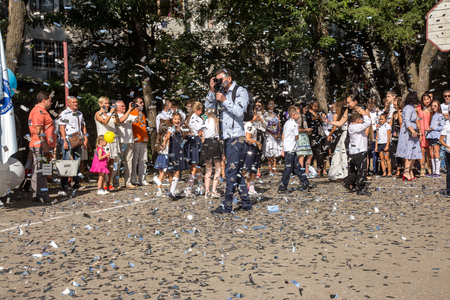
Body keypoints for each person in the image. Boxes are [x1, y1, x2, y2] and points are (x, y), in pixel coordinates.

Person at [205, 68, 252, 213]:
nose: (220, 82)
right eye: (217, 80)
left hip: (236, 136)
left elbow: (239, 111)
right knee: (236, 171)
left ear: (229, 78)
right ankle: (246, 203)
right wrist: (212, 92)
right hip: (225, 137)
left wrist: (224, 100)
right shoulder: (220, 93)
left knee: (230, 172)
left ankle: (226, 205)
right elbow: (208, 108)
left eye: (221, 79)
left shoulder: (240, 91)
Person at [28, 91, 56, 201]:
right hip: (41, 145)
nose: (51, 102)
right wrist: (44, 144)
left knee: (42, 168)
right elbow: (39, 128)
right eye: (50, 100)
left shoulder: (41, 111)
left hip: (43, 145)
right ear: (44, 100)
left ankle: (37, 194)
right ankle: (42, 195)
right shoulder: (39, 111)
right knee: (42, 169)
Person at [278, 106, 313, 192]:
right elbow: (297, 137)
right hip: (290, 148)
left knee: (297, 167)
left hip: (289, 148)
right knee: (288, 168)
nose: (299, 115)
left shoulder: (287, 123)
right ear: (293, 115)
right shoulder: (294, 124)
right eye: (298, 114)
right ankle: (282, 187)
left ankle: (305, 183)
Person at [59, 96, 88, 190]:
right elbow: (62, 128)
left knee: (77, 161)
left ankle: (76, 182)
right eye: (74, 102)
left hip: (78, 139)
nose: (76, 104)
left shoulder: (80, 113)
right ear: (69, 103)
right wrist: (65, 141)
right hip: (69, 140)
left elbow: (83, 126)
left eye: (76, 102)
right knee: (67, 161)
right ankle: (64, 183)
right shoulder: (64, 114)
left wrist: (85, 137)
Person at [343, 108, 372, 196]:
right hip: (360, 152)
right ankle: (360, 188)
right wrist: (364, 114)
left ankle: (348, 182)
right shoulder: (356, 127)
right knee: (362, 171)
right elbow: (368, 123)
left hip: (353, 152)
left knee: (354, 171)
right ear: (358, 120)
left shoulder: (351, 126)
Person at [94, 96, 120, 190]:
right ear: (100, 104)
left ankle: (109, 184)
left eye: (108, 103)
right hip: (103, 141)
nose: (107, 105)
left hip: (112, 140)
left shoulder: (111, 114)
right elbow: (104, 122)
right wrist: (110, 112)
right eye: (105, 103)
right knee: (103, 163)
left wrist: (115, 113)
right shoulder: (98, 114)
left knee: (111, 163)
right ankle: (102, 184)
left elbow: (118, 121)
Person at [395, 92, 422, 181]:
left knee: (413, 152)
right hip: (408, 133)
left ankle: (410, 171)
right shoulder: (408, 108)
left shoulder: (411, 108)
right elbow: (406, 121)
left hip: (412, 132)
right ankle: (406, 172)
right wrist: (413, 131)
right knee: (409, 152)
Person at [115, 100, 138, 188]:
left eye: (125, 106)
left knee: (129, 163)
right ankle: (116, 183)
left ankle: (128, 182)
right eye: (122, 106)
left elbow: (137, 119)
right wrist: (129, 109)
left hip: (130, 141)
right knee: (118, 162)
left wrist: (138, 108)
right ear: (116, 108)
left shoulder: (129, 115)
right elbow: (121, 120)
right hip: (121, 142)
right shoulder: (116, 115)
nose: (124, 107)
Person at [200, 109, 222, 199]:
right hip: (214, 143)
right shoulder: (217, 121)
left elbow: (202, 136)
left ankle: (207, 192)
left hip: (206, 144)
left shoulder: (203, 121)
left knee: (208, 170)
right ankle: (213, 190)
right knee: (218, 168)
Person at [185, 101, 204, 196]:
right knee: (194, 165)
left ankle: (201, 186)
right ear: (197, 110)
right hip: (195, 141)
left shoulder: (188, 118)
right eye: (201, 110)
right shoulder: (198, 119)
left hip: (189, 141)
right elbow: (200, 132)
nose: (201, 112)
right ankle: (189, 189)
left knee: (198, 165)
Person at [167, 112, 188, 199]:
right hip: (173, 151)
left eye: (178, 119)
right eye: (175, 119)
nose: (177, 120)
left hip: (180, 150)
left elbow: (184, 139)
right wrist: (164, 144)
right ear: (172, 120)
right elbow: (167, 137)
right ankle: (172, 192)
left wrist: (183, 145)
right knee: (176, 170)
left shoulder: (181, 128)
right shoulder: (171, 129)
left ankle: (173, 191)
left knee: (178, 171)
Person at [130, 97, 150, 186]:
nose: (142, 104)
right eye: (140, 102)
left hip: (143, 139)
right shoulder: (132, 113)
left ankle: (143, 179)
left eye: (142, 102)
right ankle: (133, 179)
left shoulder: (143, 114)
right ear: (135, 104)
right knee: (135, 160)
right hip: (136, 139)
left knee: (144, 160)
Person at [327, 99, 348, 181]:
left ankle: (344, 173)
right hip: (343, 135)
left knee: (343, 155)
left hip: (346, 135)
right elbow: (338, 125)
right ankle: (340, 173)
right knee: (340, 155)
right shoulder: (339, 115)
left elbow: (336, 126)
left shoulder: (345, 114)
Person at [241, 115, 262, 195]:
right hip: (249, 148)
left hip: (250, 148)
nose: (257, 117)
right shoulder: (249, 125)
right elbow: (247, 139)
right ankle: (248, 187)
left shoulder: (247, 124)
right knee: (249, 168)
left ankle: (250, 187)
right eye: (255, 115)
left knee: (251, 168)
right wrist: (257, 143)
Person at [305, 99, 326, 177]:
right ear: (311, 105)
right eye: (314, 106)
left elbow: (322, 123)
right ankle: (310, 170)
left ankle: (319, 170)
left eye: (317, 106)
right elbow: (308, 121)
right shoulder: (308, 113)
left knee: (319, 153)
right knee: (311, 153)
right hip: (311, 134)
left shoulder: (319, 113)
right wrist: (314, 118)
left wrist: (321, 119)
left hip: (319, 134)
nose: (316, 108)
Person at [425, 100, 445, 177]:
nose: (433, 107)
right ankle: (433, 171)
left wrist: (433, 128)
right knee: (431, 153)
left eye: (435, 105)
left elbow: (442, 126)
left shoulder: (440, 115)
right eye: (432, 106)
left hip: (436, 136)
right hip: (431, 136)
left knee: (436, 153)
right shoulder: (432, 115)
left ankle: (437, 172)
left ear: (439, 106)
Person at [294, 102, 313, 177]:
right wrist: (306, 129)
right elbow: (297, 129)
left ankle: (307, 171)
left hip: (305, 136)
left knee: (309, 154)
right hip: (300, 137)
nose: (307, 110)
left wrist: (308, 131)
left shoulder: (304, 116)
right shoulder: (298, 117)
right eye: (305, 108)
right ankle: (301, 172)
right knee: (301, 155)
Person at [264, 100, 282, 174]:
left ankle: (274, 168)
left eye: (273, 104)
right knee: (269, 153)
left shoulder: (277, 114)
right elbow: (265, 126)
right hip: (269, 135)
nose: (272, 105)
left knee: (275, 152)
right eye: (270, 104)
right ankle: (270, 169)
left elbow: (279, 125)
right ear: (267, 105)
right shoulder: (265, 115)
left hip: (275, 136)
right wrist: (272, 133)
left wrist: (278, 133)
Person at [153, 120, 171, 197]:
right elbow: (169, 146)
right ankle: (172, 189)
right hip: (167, 156)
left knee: (161, 174)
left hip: (161, 156)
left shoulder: (159, 137)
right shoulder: (167, 137)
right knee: (170, 174)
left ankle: (158, 189)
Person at [417, 92, 432, 176]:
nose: (426, 101)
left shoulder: (432, 108)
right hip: (422, 131)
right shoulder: (418, 108)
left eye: (428, 99)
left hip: (430, 131)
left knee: (430, 151)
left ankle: (429, 168)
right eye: (425, 99)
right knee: (422, 151)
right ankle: (422, 168)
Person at [389, 97, 403, 177]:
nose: (394, 106)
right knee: (394, 153)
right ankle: (396, 169)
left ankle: (401, 170)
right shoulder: (394, 113)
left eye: (395, 105)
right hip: (394, 136)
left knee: (400, 154)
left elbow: (401, 124)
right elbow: (391, 123)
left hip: (400, 136)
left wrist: (399, 134)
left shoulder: (401, 112)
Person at [253, 99, 267, 178]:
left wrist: (260, 118)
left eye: (259, 105)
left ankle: (258, 168)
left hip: (260, 132)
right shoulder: (252, 112)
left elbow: (266, 124)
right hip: (252, 132)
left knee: (258, 151)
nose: (257, 107)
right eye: (256, 105)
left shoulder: (264, 113)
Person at [367, 97, 380, 175]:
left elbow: (379, 120)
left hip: (375, 131)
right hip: (368, 132)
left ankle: (375, 169)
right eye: (369, 106)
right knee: (367, 151)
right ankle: (367, 169)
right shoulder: (366, 111)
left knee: (375, 151)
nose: (370, 107)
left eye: (372, 106)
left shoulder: (377, 111)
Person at [438, 121, 450, 196]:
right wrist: (448, 146)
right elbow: (441, 140)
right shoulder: (447, 127)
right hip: (449, 152)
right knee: (449, 171)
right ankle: (449, 190)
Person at [440, 90, 450, 172]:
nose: (447, 97)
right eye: (445, 96)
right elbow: (440, 116)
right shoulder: (441, 106)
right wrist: (445, 115)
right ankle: (442, 166)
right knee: (443, 148)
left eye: (449, 96)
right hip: (443, 128)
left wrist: (445, 115)